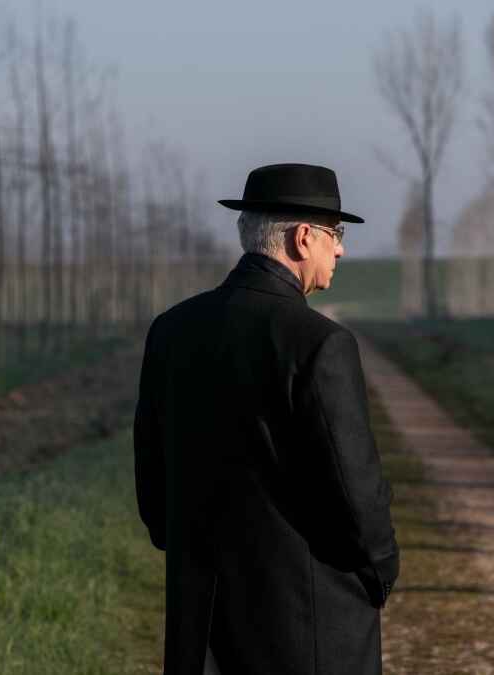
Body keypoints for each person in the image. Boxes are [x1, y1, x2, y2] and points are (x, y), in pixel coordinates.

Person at [134, 163, 400, 674]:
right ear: (303, 238)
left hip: (201, 616)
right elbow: (356, 490)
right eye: (336, 235)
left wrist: (192, 553)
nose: (340, 251)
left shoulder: (171, 330)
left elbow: (152, 475)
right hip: (306, 620)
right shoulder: (320, 343)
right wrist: (381, 570)